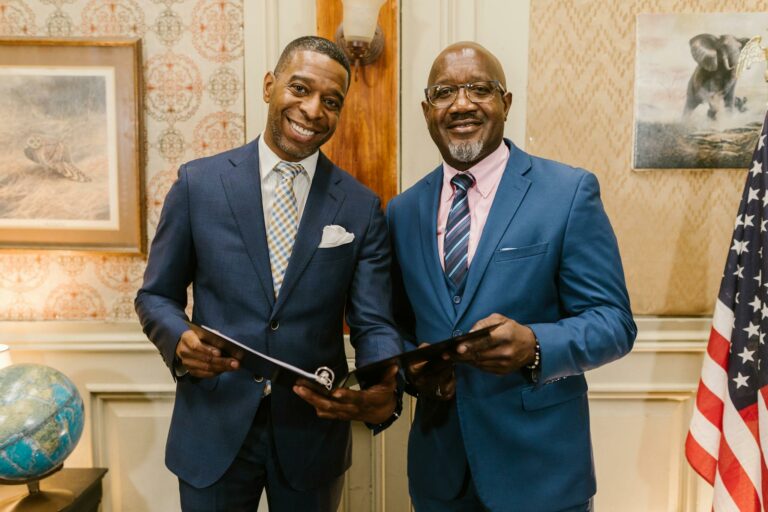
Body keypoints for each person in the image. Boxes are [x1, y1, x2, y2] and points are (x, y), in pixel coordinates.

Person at [135, 36, 402, 512]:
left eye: (331, 101)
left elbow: (373, 322)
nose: (313, 109)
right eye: (300, 88)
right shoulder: (199, 184)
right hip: (212, 427)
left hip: (311, 436)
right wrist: (178, 340)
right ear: (268, 86)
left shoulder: (361, 207)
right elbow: (155, 296)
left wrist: (385, 384)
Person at [386, 42, 637, 512]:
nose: (462, 103)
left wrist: (535, 345)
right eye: (444, 92)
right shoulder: (402, 211)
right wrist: (412, 369)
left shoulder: (567, 192)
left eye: (480, 89)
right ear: (426, 110)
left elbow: (614, 323)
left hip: (540, 472)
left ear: (506, 102)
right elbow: (398, 324)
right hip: (439, 473)